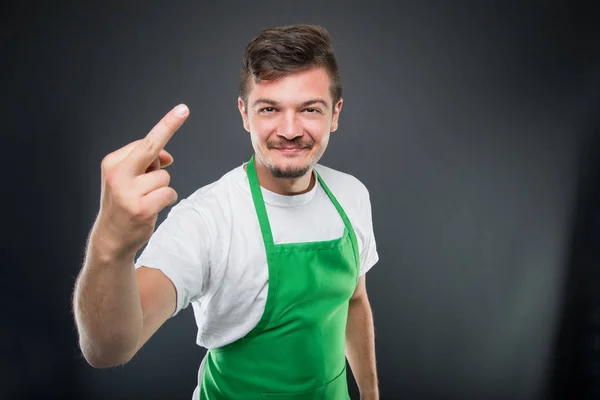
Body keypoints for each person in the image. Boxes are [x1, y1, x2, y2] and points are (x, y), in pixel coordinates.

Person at [73, 24, 379, 399]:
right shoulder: (209, 218)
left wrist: (370, 394)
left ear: (335, 114)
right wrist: (110, 246)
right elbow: (108, 349)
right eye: (269, 108)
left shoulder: (352, 195)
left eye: (309, 109)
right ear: (245, 114)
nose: (289, 129)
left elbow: (354, 300)